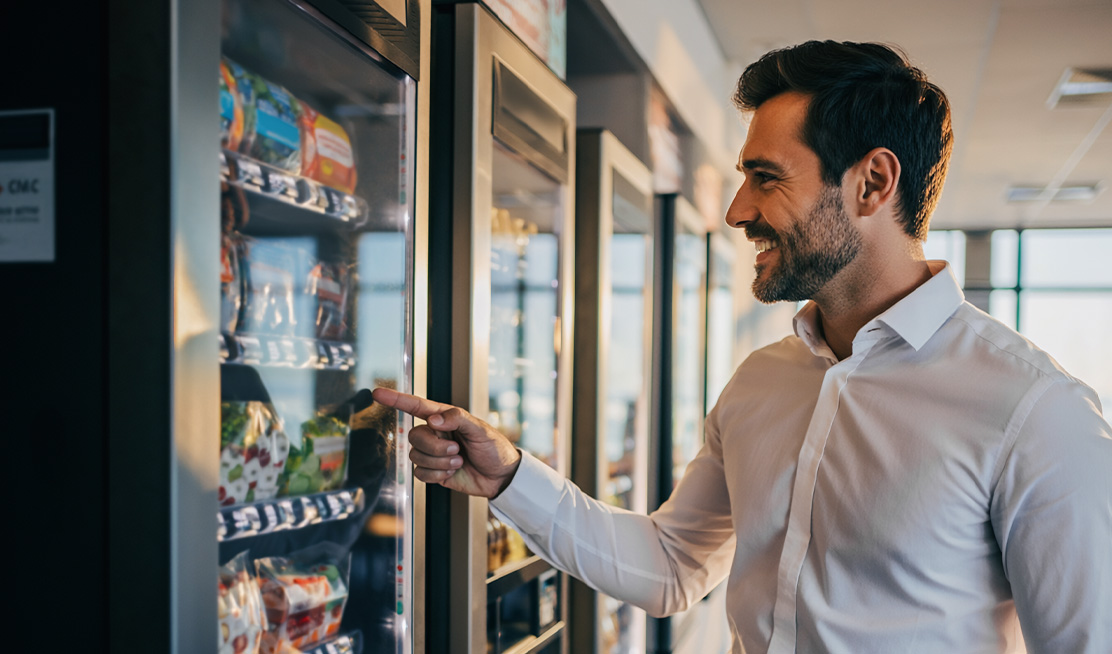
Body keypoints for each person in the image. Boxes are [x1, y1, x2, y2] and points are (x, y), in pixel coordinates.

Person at [373, 40, 1112, 653]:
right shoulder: (763, 380)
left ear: (872, 183)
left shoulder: (1035, 412)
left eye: (765, 178)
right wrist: (509, 478)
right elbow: (671, 567)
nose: (736, 210)